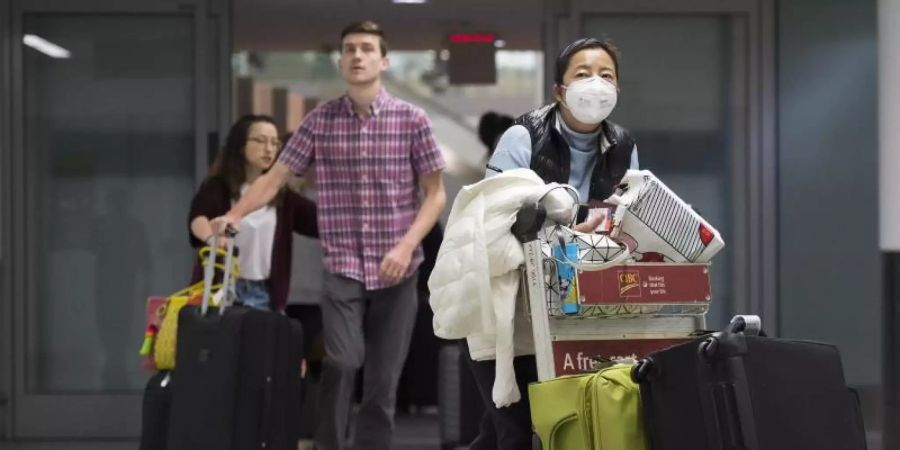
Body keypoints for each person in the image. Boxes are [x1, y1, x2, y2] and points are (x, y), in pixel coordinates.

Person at [210, 20, 446, 450]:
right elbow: (277, 177)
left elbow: (435, 195)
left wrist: (407, 244)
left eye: (367, 49)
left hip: (399, 268)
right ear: (340, 61)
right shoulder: (320, 120)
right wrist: (235, 214)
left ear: (384, 61)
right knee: (342, 360)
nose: (357, 55)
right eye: (350, 49)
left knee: (381, 380)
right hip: (343, 266)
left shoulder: (412, 120)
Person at [468, 37, 641, 450]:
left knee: (521, 429)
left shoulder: (623, 146)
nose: (595, 84)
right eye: (582, 75)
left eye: (606, 76)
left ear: (618, 89)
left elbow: (629, 218)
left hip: (576, 307)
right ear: (559, 91)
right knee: (516, 428)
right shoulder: (523, 136)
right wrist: (560, 227)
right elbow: (493, 219)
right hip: (510, 306)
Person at [188, 114, 318, 311]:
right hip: (222, 290)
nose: (269, 149)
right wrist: (211, 239)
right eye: (260, 141)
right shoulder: (219, 187)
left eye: (275, 143)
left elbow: (320, 222)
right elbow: (198, 218)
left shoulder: (284, 198)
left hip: (264, 293)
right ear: (241, 145)